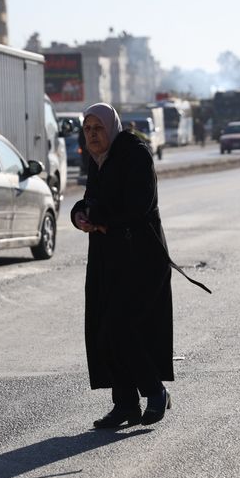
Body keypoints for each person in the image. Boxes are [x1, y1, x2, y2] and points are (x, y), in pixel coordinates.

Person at [71, 103, 174, 428]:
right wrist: (80, 215)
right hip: (109, 261)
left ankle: (155, 392)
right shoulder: (97, 160)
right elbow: (91, 199)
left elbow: (137, 205)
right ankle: (126, 404)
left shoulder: (134, 154)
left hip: (142, 259)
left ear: (112, 128)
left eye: (98, 128)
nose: (93, 135)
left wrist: (100, 220)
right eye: (87, 129)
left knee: (120, 327)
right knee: (107, 331)